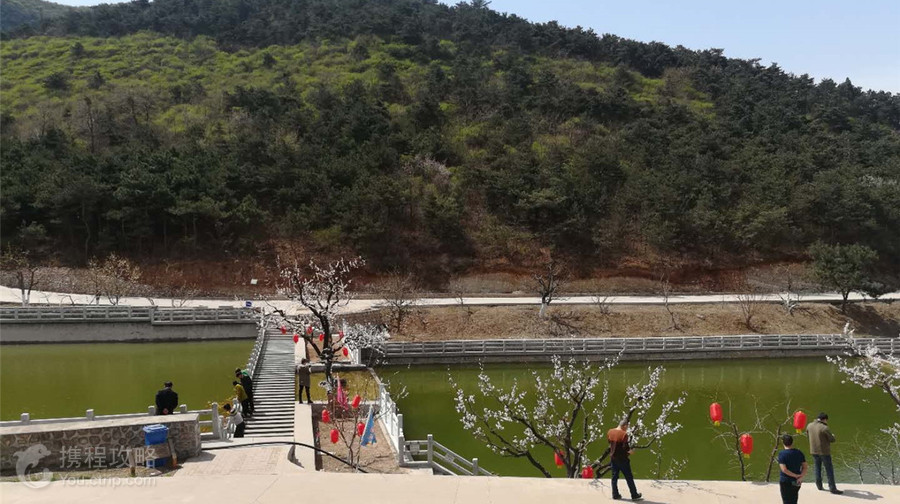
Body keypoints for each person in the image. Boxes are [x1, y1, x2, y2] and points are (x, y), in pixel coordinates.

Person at [807, 412, 843, 494]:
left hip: (813, 451)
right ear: (825, 419)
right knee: (829, 470)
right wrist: (833, 436)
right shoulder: (824, 428)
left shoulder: (809, 425)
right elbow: (832, 440)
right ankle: (832, 488)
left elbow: (808, 436)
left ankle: (819, 486)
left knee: (817, 468)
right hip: (824, 452)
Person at [607, 419, 642, 501]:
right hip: (622, 459)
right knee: (629, 477)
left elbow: (610, 442)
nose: (627, 429)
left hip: (613, 458)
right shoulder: (624, 434)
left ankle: (615, 494)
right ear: (624, 426)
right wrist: (631, 451)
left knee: (614, 477)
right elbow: (625, 447)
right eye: (627, 427)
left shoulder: (610, 432)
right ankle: (634, 495)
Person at [778, 434, 808, 504]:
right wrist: (800, 476)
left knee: (786, 500)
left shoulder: (782, 454)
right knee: (794, 499)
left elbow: (784, 470)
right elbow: (805, 467)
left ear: (783, 442)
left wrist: (795, 475)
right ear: (792, 442)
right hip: (797, 481)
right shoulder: (799, 452)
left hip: (786, 481)